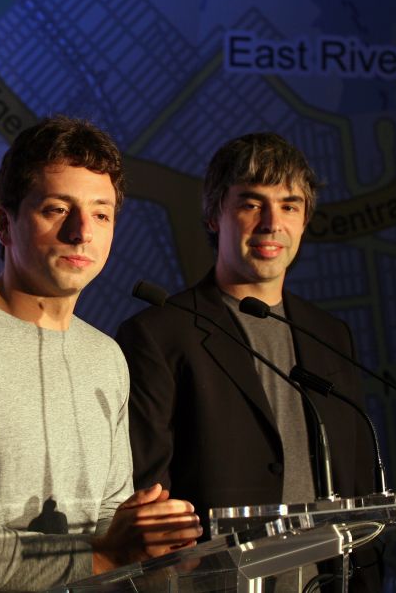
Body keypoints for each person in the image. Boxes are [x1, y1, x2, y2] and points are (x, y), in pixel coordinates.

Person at [0, 116, 202, 592]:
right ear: (3, 224)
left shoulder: (106, 356)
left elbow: (107, 515)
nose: (81, 232)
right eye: (56, 209)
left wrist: (148, 535)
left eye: (101, 214)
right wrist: (105, 554)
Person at [115, 132, 378, 590]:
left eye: (289, 205)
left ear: (305, 219)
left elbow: (359, 485)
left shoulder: (331, 335)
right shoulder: (160, 334)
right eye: (252, 204)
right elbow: (153, 502)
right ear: (215, 214)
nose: (271, 223)